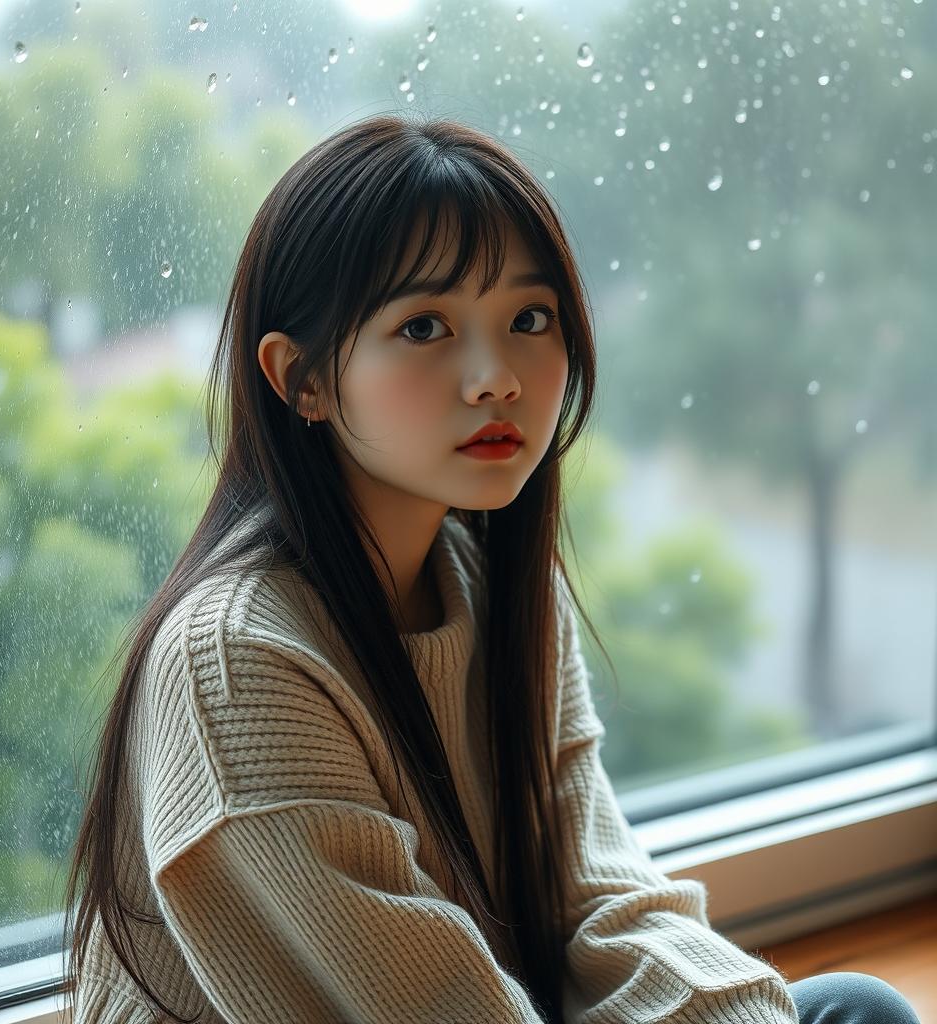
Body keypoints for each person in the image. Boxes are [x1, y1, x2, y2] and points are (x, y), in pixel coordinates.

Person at [59, 111, 923, 1024]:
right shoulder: (237, 661)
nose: (495, 376)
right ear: (301, 379)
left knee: (849, 1010)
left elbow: (595, 898)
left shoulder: (495, 581)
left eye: (529, 318)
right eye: (426, 325)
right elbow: (432, 1006)